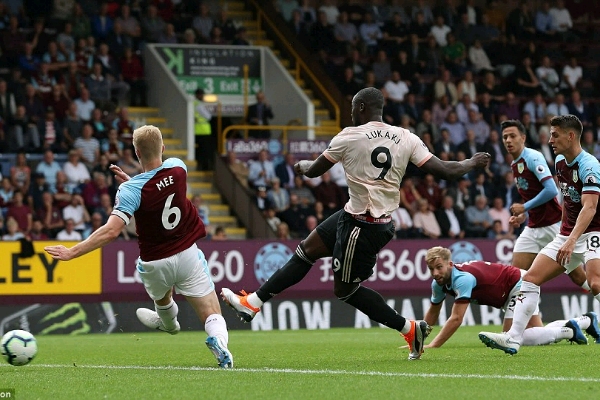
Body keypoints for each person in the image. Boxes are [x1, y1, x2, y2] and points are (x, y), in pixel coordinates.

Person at [221, 87, 490, 361]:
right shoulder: (406, 137)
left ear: (361, 107)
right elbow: (445, 170)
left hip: (362, 227)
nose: (350, 112)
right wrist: (471, 162)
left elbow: (315, 171)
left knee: (345, 290)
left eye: (352, 107)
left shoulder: (349, 136)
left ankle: (409, 328)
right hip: (360, 216)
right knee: (306, 250)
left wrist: (302, 167)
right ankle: (252, 303)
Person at [44, 125, 233, 368]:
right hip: (187, 253)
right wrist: (135, 183)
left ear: (136, 152)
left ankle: (168, 324)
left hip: (154, 262)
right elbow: (159, 188)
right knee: (211, 312)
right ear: (163, 148)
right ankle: (219, 342)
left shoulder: (130, 190)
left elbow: (112, 230)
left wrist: (72, 251)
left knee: (163, 299)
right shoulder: (178, 167)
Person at [479, 115, 600, 354]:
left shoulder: (589, 165)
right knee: (529, 279)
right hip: (565, 234)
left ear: (570, 136)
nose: (550, 139)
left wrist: (573, 238)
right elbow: (565, 199)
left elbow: (590, 207)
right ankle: (513, 337)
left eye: (555, 134)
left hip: (593, 232)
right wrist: (564, 234)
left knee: (594, 283)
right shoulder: (560, 161)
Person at [423, 246, 599, 348]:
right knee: (537, 331)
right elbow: (432, 313)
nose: (435, 272)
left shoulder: (462, 279)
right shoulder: (438, 284)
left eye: (439, 267)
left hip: (518, 285)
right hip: (512, 289)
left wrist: (433, 345)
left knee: (510, 336)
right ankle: (584, 321)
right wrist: (420, 339)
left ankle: (569, 331)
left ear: (450, 264)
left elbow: (456, 318)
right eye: (431, 269)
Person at [501, 120, 589, 298]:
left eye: (512, 136)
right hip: (532, 227)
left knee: (578, 277)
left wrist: (524, 207)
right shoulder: (514, 164)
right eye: (505, 137)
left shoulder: (533, 157)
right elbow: (533, 194)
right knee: (516, 278)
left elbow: (551, 190)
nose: (508, 140)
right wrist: (523, 214)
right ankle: (525, 322)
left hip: (552, 226)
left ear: (523, 138)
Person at [193, 88, 213, 171]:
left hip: (196, 131)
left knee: (198, 151)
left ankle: (200, 166)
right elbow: (208, 116)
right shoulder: (199, 105)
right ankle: (204, 168)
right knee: (204, 151)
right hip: (204, 131)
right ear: (198, 95)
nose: (203, 96)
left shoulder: (193, 104)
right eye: (201, 94)